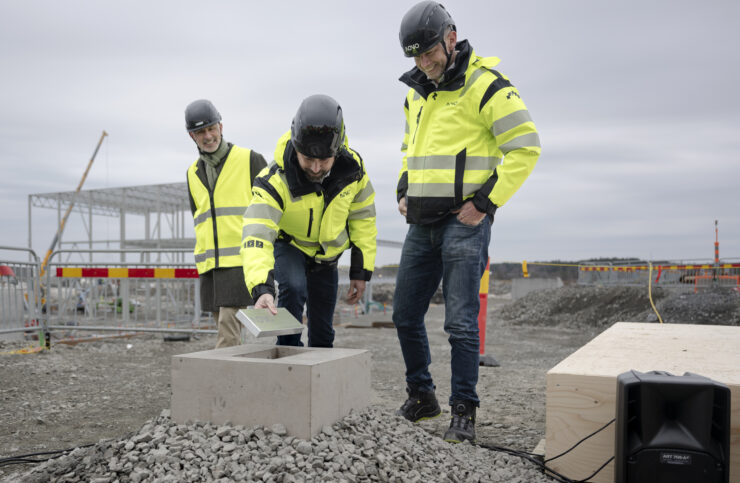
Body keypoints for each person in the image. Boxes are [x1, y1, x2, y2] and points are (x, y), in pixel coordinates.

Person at [392, 2, 541, 442]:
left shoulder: (488, 86)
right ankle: (423, 396)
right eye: (415, 56)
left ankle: (464, 411)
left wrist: (485, 203)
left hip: (464, 221)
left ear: (451, 38)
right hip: (421, 223)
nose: (424, 62)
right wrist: (404, 186)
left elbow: (526, 147)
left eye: (429, 52)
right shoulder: (416, 93)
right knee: (403, 314)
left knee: (460, 322)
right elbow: (410, 148)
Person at [241, 94, 377, 347]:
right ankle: (289, 353)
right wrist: (262, 288)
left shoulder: (354, 171)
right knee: (293, 286)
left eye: (324, 160)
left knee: (323, 331)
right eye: (308, 160)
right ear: (296, 146)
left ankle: (321, 372)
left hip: (327, 257)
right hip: (290, 246)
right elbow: (256, 234)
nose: (315, 168)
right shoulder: (273, 180)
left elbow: (363, 219)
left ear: (336, 151)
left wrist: (361, 271)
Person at [185, 99, 267, 347]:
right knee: (222, 323)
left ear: (221, 126)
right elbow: (198, 216)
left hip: (241, 261)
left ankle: (227, 382)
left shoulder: (250, 160)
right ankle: (236, 378)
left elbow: (271, 210)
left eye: (211, 128)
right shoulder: (192, 173)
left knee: (227, 331)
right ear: (192, 136)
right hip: (210, 266)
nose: (208, 136)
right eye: (201, 132)